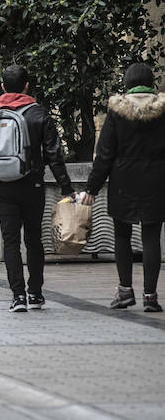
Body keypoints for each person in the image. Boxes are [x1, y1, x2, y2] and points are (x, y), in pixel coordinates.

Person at [0, 64, 72, 312]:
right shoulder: (38, 113)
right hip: (32, 183)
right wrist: (66, 186)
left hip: (2, 185)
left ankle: (17, 296)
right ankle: (36, 293)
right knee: (33, 239)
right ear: (27, 85)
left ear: (2, 87)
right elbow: (54, 154)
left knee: (9, 241)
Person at [83, 63, 165, 312]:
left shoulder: (117, 112)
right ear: (151, 83)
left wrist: (92, 188)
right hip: (157, 180)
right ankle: (150, 296)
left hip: (123, 181)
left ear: (127, 83)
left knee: (122, 235)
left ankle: (125, 291)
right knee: (152, 237)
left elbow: (105, 154)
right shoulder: (163, 111)